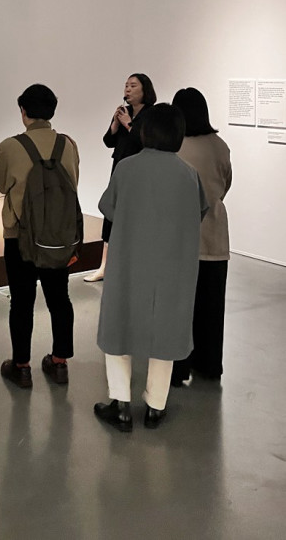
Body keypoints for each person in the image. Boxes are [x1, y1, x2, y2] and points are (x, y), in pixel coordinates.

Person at [94, 103, 207, 432]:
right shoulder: (189, 174)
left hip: (129, 261)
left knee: (118, 327)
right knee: (166, 332)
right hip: (174, 265)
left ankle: (121, 404)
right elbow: (199, 212)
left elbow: (108, 207)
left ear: (145, 132)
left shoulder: (127, 168)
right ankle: (156, 406)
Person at [0, 84, 80, 389]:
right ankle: (60, 362)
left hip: (20, 236)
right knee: (59, 298)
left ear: (23, 111)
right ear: (51, 112)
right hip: (58, 235)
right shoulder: (68, 145)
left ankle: (21, 367)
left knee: (21, 301)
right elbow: (73, 181)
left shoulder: (10, 146)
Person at [171, 88, 232, 384]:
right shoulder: (220, 146)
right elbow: (226, 183)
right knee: (212, 305)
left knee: (180, 307)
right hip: (215, 235)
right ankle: (209, 365)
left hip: (180, 237)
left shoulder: (174, 148)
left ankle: (179, 366)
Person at [85, 72, 156, 283]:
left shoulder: (151, 115)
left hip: (139, 172)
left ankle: (130, 266)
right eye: (126, 85)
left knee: (133, 216)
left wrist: (128, 124)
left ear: (145, 90)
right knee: (111, 213)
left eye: (133, 85)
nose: (127, 89)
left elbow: (146, 142)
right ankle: (104, 266)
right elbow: (109, 142)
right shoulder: (124, 112)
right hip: (119, 168)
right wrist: (116, 124)